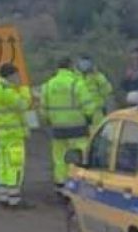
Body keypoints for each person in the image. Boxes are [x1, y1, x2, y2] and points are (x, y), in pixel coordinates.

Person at [42, 56, 99, 191]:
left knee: (59, 157)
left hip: (57, 128)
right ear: (71, 67)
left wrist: (49, 120)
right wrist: (89, 117)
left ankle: (60, 183)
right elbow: (89, 106)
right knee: (79, 156)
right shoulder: (77, 83)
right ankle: (77, 182)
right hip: (77, 127)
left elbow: (43, 108)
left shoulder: (48, 85)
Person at [0, 63, 33, 208]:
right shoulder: (7, 90)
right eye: (16, 76)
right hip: (13, 134)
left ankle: (4, 196)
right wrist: (24, 89)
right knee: (15, 166)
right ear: (11, 76)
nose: (18, 78)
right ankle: (14, 199)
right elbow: (23, 105)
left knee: (3, 166)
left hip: (1, 134)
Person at [76, 54, 113, 122]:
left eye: (87, 63)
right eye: (82, 63)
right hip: (81, 114)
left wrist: (97, 76)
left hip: (97, 113)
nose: (84, 65)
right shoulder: (76, 77)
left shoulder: (98, 76)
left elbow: (107, 91)